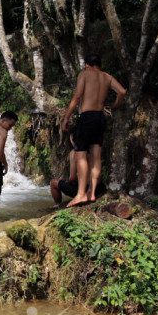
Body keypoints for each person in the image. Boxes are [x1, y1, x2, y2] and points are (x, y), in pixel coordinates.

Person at [61, 52, 126, 207]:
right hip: (100, 117)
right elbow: (122, 91)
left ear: (88, 65)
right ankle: (91, 191)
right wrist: (116, 104)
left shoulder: (84, 74)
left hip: (87, 117)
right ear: (100, 65)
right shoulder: (107, 77)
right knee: (96, 154)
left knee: (81, 154)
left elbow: (77, 97)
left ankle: (81, 194)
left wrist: (66, 118)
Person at [50, 126, 106, 203]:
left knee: (53, 183)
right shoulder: (95, 148)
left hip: (86, 190)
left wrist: (69, 183)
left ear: (73, 138)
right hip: (100, 188)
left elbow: (72, 178)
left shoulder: (75, 153)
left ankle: (58, 205)